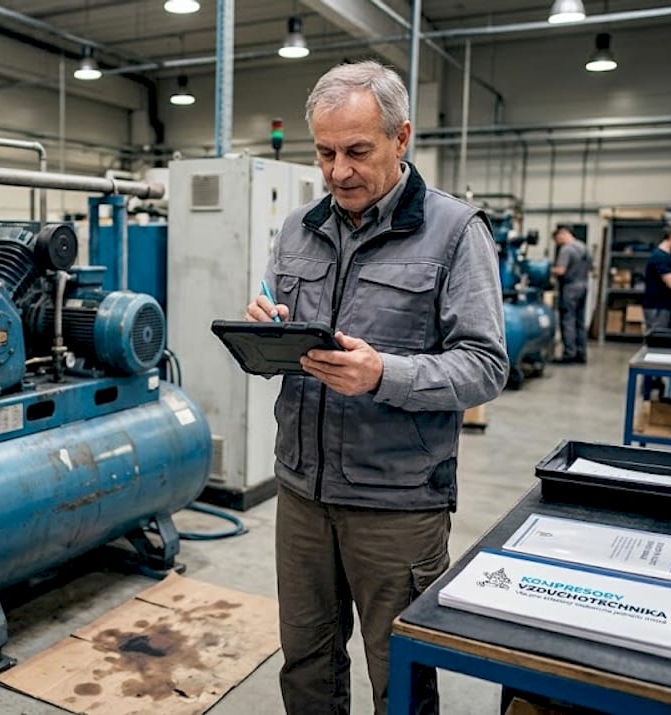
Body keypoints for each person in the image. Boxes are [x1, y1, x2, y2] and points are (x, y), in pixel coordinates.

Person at [244, 61, 508, 715]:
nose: (339, 171)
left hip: (396, 505)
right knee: (305, 663)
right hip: (303, 493)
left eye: (357, 151)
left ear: (401, 138)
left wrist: (385, 374)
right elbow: (289, 326)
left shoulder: (454, 232)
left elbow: (484, 365)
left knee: (402, 676)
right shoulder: (297, 229)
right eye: (325, 152)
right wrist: (268, 329)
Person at [551, 226, 590, 364]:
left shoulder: (566, 249)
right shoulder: (583, 247)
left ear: (562, 235)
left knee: (567, 320)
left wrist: (549, 270)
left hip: (570, 288)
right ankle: (581, 354)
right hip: (583, 286)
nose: (558, 243)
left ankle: (569, 354)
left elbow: (561, 270)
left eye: (557, 240)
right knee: (580, 321)